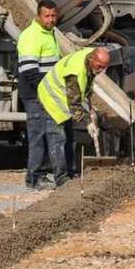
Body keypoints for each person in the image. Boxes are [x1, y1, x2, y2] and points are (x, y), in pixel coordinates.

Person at [37, 47, 111, 187]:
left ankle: (71, 173)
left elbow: (86, 88)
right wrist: (87, 123)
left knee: (70, 137)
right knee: (58, 140)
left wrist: (91, 113)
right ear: (92, 59)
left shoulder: (90, 58)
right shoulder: (74, 72)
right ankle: (61, 179)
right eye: (100, 67)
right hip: (51, 98)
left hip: (64, 99)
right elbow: (74, 104)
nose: (102, 70)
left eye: (104, 67)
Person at [17, 0, 61, 190]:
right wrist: (44, 94)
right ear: (38, 16)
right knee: (38, 136)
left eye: (53, 16)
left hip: (46, 94)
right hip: (36, 95)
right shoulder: (31, 36)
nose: (51, 19)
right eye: (47, 16)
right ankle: (34, 178)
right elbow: (29, 71)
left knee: (48, 135)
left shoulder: (50, 33)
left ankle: (42, 175)